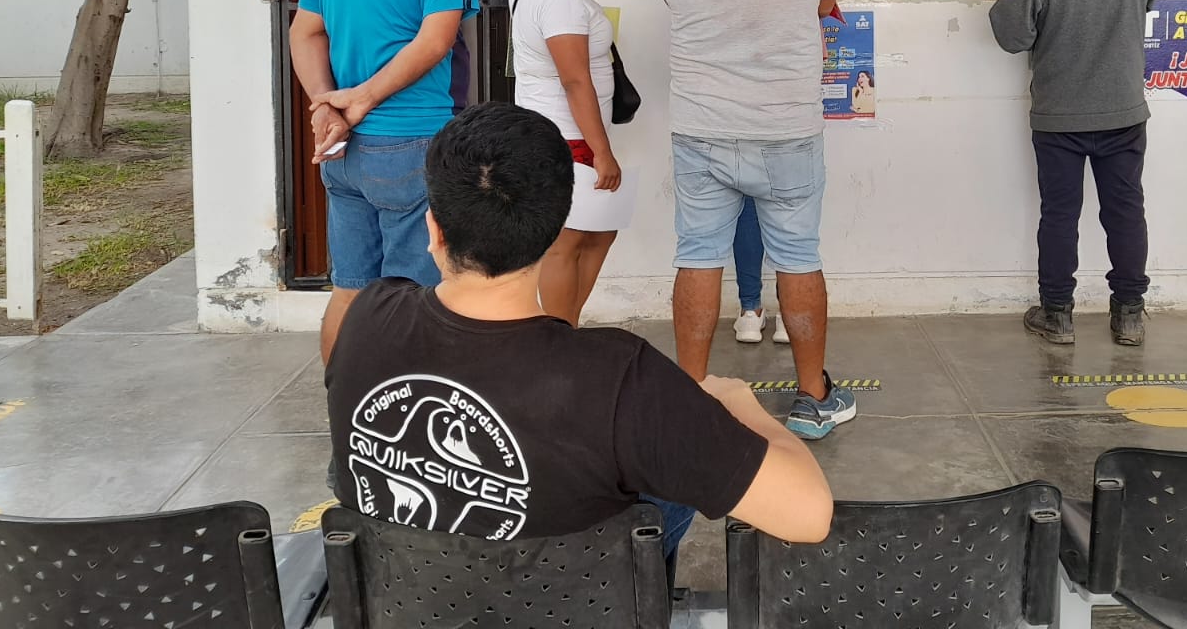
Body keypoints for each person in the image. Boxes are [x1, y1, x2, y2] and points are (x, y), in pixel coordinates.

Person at [325, 102, 834, 570]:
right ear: (556, 227)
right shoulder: (620, 378)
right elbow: (809, 515)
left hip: (410, 600)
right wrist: (737, 407)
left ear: (433, 229)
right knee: (667, 460)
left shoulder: (369, 316)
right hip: (573, 600)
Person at [646, 0, 856, 440]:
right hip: (786, 123)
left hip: (702, 122)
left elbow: (675, 3)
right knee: (798, 256)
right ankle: (813, 397)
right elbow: (824, 5)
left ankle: (691, 399)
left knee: (697, 255)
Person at [290, 0, 478, 366]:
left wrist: (328, 104)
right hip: (411, 140)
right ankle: (400, 439)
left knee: (350, 290)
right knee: (414, 301)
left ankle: (346, 428)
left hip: (343, 152)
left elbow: (305, 31)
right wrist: (359, 101)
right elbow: (436, 37)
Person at [987, 0, 1157, 348]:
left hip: (1060, 117)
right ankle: (1128, 316)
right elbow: (1145, 2)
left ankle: (1057, 315)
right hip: (1124, 112)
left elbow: (1009, 36)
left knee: (1059, 215)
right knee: (1125, 212)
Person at [499, 0, 626, 327]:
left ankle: (565, 326)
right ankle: (558, 332)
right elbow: (575, 79)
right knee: (568, 239)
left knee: (598, 229)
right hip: (568, 136)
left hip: (560, 131)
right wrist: (601, 149)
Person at [732, 0, 805, 346]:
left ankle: (751, 309)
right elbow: (826, 3)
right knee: (788, 213)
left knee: (747, 211)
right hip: (784, 105)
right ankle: (776, 311)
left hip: (729, 102)